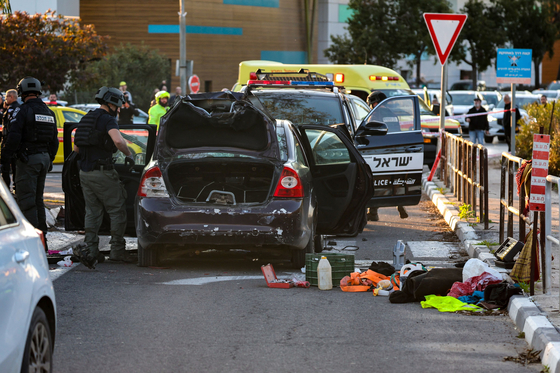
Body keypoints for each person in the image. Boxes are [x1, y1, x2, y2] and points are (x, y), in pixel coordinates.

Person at [71, 87, 135, 269]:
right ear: (112, 103)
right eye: (118, 105)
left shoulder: (86, 118)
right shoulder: (108, 120)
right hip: (103, 172)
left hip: (85, 172)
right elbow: (118, 141)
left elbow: (76, 149)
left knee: (92, 211)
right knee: (117, 210)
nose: (120, 108)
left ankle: (91, 251)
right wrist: (129, 155)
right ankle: (117, 252)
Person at [2, 77, 59, 249]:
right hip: (43, 159)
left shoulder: (22, 110)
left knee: (27, 202)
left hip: (27, 160)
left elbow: (13, 137)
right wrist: (49, 158)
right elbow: (54, 140)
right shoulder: (48, 112)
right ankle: (43, 242)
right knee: (38, 201)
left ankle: (33, 245)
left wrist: (4, 158)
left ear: (21, 92)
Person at [365, 91, 408, 221]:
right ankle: (400, 204)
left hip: (379, 151)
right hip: (394, 150)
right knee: (394, 180)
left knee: (376, 182)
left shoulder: (375, 114)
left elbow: (369, 132)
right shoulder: (392, 114)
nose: (371, 106)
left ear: (376, 103)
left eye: (371, 104)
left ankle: (373, 212)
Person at [1, 89, 20, 191]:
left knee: (6, 169)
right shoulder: (19, 108)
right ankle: (16, 189)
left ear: (11, 97)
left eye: (6, 97)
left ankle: (7, 191)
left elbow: (8, 128)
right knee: (15, 169)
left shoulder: (11, 109)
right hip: (15, 143)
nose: (5, 99)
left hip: (8, 142)